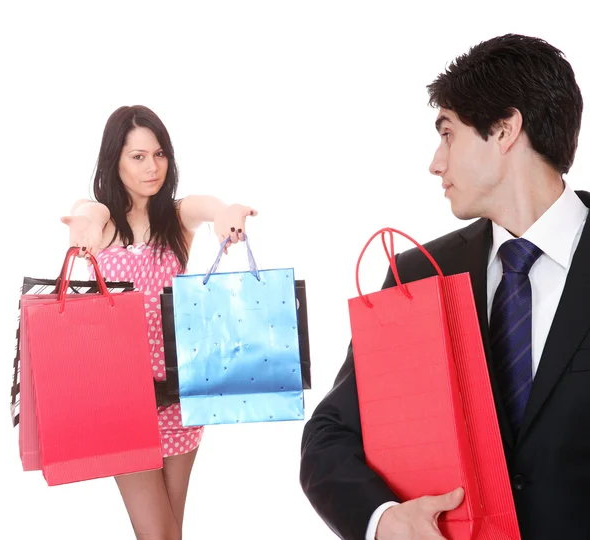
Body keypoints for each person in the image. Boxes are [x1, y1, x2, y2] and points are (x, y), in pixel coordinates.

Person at [300, 33, 587, 540]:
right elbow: (330, 438)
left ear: (504, 130)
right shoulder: (418, 274)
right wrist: (384, 520)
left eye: (448, 134)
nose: (436, 162)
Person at [61, 104, 257, 539]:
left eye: (159, 154)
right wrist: (83, 226)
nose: (152, 167)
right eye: (138, 156)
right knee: (159, 534)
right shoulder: (105, 220)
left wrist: (225, 214)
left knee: (170, 531)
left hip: (179, 396)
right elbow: (86, 211)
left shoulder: (175, 218)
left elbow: (208, 205)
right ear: (114, 160)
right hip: (121, 400)